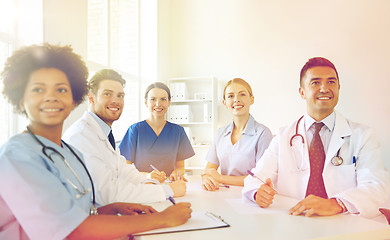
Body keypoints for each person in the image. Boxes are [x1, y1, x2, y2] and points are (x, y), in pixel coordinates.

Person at [0, 44, 191, 240]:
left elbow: (76, 208)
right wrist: (162, 219)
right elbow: (71, 231)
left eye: (61, 89)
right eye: (38, 89)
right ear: (21, 99)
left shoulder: (69, 151)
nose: (51, 97)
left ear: (74, 98)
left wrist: (109, 209)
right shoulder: (17, 156)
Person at [242, 57, 390, 219]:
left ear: (339, 88)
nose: (324, 88)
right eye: (315, 82)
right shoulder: (284, 136)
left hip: (343, 222)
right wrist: (258, 192)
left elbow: (377, 187)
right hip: (296, 220)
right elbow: (255, 178)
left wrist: (337, 203)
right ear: (302, 92)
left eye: (331, 82)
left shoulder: (363, 136)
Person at [63, 69, 186, 205]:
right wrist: (167, 191)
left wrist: (152, 182)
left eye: (120, 95)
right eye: (107, 94)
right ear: (91, 98)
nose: (115, 101)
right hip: (88, 216)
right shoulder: (81, 136)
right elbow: (106, 194)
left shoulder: (104, 132)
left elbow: (123, 170)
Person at [202, 78, 273, 191]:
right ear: (224, 102)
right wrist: (206, 178)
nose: (236, 100)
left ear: (252, 99)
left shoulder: (263, 134)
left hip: (252, 196)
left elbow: (260, 178)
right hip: (222, 196)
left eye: (242, 94)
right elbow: (209, 171)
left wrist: (220, 178)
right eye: (230, 96)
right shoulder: (220, 133)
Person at [119, 82, 195, 182]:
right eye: (153, 99)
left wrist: (177, 173)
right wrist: (147, 176)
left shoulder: (178, 132)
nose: (158, 104)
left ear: (169, 102)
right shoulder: (135, 130)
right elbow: (124, 169)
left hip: (169, 184)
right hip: (141, 184)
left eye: (163, 99)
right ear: (146, 102)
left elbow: (180, 167)